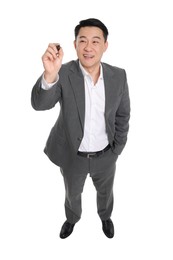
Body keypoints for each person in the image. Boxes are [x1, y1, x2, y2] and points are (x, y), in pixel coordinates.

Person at [31, 18, 130, 239]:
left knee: (105, 192)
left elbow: (123, 115)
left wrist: (118, 148)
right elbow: (39, 105)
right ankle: (72, 218)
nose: (88, 47)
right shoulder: (63, 73)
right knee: (72, 193)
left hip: (106, 154)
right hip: (72, 156)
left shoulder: (119, 76)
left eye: (95, 41)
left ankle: (105, 216)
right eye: (82, 40)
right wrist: (49, 75)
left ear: (105, 45)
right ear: (74, 44)